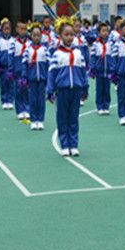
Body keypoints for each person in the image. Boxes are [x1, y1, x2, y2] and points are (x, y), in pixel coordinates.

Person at [47, 20, 87, 157]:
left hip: (76, 90)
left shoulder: (78, 53)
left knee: (74, 118)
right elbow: (52, 73)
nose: (69, 37)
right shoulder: (57, 54)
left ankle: (74, 145)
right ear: (60, 36)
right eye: (66, 34)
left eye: (72, 35)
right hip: (62, 90)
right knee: (62, 118)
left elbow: (83, 71)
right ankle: (64, 144)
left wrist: (85, 87)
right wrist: (50, 90)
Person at [23, 24, 49, 131]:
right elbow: (24, 64)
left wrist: (48, 78)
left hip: (42, 79)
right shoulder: (28, 50)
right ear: (31, 36)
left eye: (38, 35)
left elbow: (48, 65)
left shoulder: (45, 50)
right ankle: (33, 120)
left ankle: (40, 120)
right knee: (32, 100)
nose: (36, 37)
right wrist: (25, 77)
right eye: (34, 35)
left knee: (41, 100)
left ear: (41, 36)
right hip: (32, 79)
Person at [89, 21, 113, 116]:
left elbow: (113, 57)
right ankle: (99, 106)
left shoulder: (111, 44)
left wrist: (113, 68)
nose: (105, 33)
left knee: (107, 89)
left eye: (106, 31)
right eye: (103, 31)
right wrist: (92, 68)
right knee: (99, 90)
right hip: (99, 71)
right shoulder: (95, 44)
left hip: (108, 71)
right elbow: (93, 57)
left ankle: (106, 106)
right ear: (99, 32)